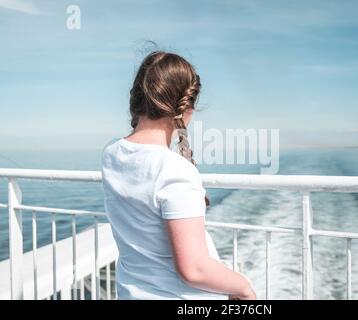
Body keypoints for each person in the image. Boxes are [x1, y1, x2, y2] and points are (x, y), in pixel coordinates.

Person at [101, 51, 256, 300]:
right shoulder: (174, 170)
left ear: (137, 101)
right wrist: (243, 287)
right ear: (187, 109)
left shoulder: (112, 153)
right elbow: (193, 270)